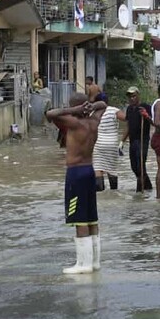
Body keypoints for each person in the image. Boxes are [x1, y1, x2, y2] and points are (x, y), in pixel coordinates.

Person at [45, 93, 107, 274]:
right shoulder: (94, 122)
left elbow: (50, 114)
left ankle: (84, 264)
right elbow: (103, 104)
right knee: (91, 217)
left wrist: (74, 110)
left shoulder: (73, 123)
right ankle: (94, 262)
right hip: (90, 171)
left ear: (75, 107)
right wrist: (92, 107)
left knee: (79, 218)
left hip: (76, 173)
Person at [122, 86, 153, 193]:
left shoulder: (145, 107)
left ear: (138, 96)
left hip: (142, 140)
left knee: (140, 166)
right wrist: (122, 141)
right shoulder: (129, 109)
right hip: (132, 141)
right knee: (134, 167)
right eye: (130, 97)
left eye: (134, 96)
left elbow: (153, 122)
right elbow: (127, 126)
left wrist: (146, 115)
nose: (131, 99)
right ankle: (148, 186)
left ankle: (139, 192)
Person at [92, 95, 125, 191]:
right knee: (112, 170)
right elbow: (127, 119)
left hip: (98, 145)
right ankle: (114, 192)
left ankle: (100, 193)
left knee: (98, 168)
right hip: (112, 145)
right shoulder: (113, 110)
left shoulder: (93, 113)